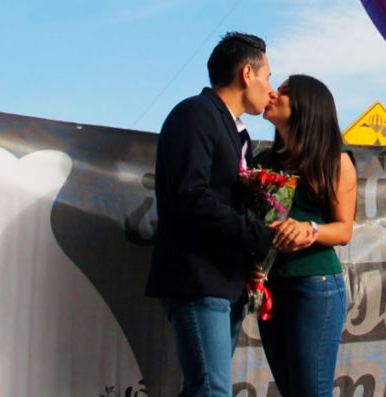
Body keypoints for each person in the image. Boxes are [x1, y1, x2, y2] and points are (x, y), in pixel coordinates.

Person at [146, 32, 278, 397]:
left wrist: (251, 257)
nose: (271, 89)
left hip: (225, 280)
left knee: (207, 387)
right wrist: (259, 235)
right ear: (247, 73)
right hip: (196, 278)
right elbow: (191, 196)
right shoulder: (194, 115)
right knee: (211, 389)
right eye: (268, 76)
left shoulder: (237, 133)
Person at [255, 74, 358, 397]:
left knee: (311, 391)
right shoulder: (261, 162)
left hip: (315, 287)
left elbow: (344, 230)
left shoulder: (337, 160)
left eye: (283, 92)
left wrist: (309, 230)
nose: (272, 93)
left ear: (306, 106)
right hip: (271, 287)